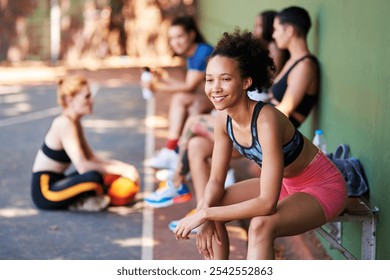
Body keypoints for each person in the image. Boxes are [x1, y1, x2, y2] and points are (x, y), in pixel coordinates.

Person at [172, 26, 347, 260]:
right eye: (209, 79)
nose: (215, 88)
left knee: (260, 226)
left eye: (225, 79)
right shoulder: (223, 118)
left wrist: (204, 212)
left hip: (320, 188)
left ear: (246, 82)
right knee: (214, 204)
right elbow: (215, 179)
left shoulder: (267, 121)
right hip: (285, 185)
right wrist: (206, 214)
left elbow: (266, 204)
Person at [31, 75, 140, 211]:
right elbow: (84, 166)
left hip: (58, 182)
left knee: (98, 173)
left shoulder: (74, 123)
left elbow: (92, 159)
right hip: (45, 192)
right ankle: (82, 202)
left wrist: (123, 167)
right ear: (70, 100)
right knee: (93, 177)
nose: (91, 100)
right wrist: (121, 170)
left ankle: (83, 200)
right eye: (87, 97)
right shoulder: (64, 123)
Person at [144, 15, 214, 171]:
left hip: (224, 98)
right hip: (212, 97)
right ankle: (176, 153)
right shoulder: (192, 54)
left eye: (179, 36)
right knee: (184, 101)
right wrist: (164, 78)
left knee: (183, 100)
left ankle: (175, 153)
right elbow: (189, 85)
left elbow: (189, 87)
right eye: (172, 38)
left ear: (191, 34)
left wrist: (156, 87)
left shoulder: (202, 51)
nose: (175, 42)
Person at [268, 6, 320, 128]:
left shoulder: (305, 66)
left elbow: (284, 111)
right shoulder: (292, 60)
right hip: (267, 127)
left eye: (276, 29)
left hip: (277, 134)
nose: (274, 35)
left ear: (290, 31)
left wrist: (248, 118)